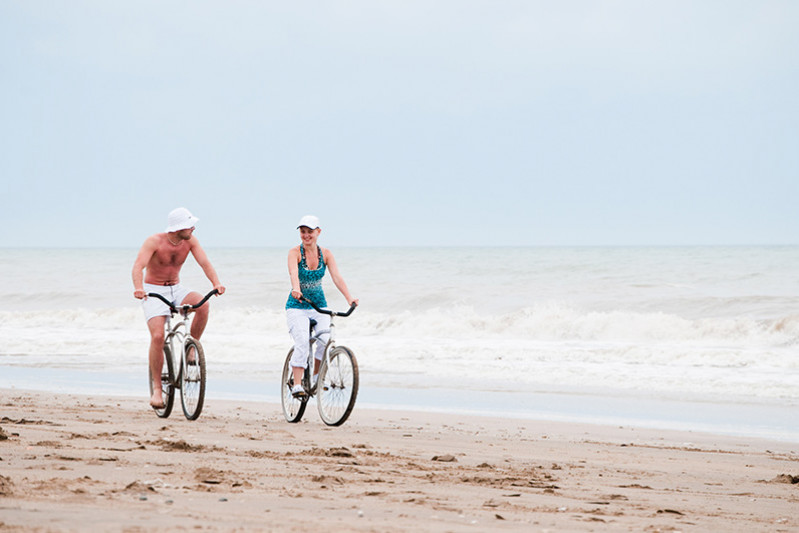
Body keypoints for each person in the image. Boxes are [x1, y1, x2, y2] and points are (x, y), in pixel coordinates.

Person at [132, 207, 226, 408]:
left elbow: (204, 263)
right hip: (153, 290)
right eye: (190, 225)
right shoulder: (154, 242)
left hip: (176, 288)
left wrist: (216, 283)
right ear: (179, 227)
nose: (193, 228)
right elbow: (138, 266)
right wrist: (139, 288)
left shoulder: (190, 241)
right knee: (158, 336)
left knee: (203, 305)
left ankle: (191, 348)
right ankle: (158, 390)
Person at [286, 215, 358, 397]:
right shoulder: (294, 252)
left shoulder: (326, 254)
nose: (306, 235)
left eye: (310, 231)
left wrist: (349, 298)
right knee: (302, 341)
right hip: (297, 305)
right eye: (303, 231)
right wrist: (296, 288)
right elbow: (293, 273)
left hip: (319, 305)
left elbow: (336, 277)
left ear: (318, 232)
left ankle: (317, 376)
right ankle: (296, 384)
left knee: (325, 341)